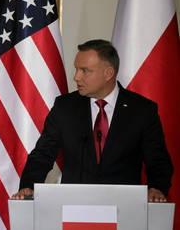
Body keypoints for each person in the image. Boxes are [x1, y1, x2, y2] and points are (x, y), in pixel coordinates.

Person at [12, 39, 173, 202]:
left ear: (108, 73)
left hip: (124, 209)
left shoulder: (142, 110)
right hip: (74, 208)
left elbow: (158, 159)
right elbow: (42, 154)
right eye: (76, 69)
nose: (76, 77)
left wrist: (157, 188)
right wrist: (28, 186)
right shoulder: (65, 107)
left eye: (85, 71)